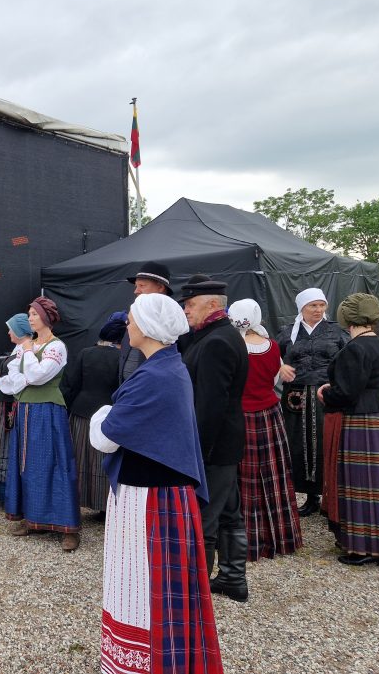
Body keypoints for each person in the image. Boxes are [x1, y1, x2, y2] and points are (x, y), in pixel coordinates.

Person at [89, 292, 222, 674]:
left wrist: (103, 413)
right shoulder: (165, 367)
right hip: (149, 495)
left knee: (145, 587)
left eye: (132, 319)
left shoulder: (155, 377)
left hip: (150, 500)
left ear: (147, 327)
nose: (127, 325)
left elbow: (105, 436)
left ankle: (149, 663)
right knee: (143, 584)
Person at [180, 275, 250, 602]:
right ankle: (234, 578)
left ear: (212, 304)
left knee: (204, 518)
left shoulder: (217, 341)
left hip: (213, 447)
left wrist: (197, 452)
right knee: (229, 512)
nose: (185, 310)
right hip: (224, 443)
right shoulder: (215, 335)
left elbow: (210, 406)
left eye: (190, 304)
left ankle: (195, 592)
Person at [318, 293, 379, 565]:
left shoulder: (355, 347)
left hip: (359, 420)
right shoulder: (377, 344)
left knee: (359, 483)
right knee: (378, 484)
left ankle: (363, 547)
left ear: (348, 316)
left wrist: (326, 394)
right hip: (378, 415)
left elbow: (348, 392)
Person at [0, 296, 81, 552]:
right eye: (30, 315)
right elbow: (15, 376)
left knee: (55, 463)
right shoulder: (30, 346)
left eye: (34, 315)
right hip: (26, 409)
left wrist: (27, 354)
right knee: (28, 464)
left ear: (45, 318)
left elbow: (35, 376)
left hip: (48, 410)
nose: (30, 318)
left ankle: (68, 526)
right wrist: (25, 358)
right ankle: (33, 519)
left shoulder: (57, 347)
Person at [228, 299, 303, 562]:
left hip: (241, 416)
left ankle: (246, 540)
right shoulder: (271, 347)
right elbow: (274, 380)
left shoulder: (232, 347)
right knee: (274, 476)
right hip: (270, 415)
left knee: (245, 477)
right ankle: (280, 536)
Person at [277, 288, 348, 517]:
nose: (318, 310)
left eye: (321, 305)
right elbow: (272, 355)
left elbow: (348, 359)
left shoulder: (336, 331)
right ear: (302, 308)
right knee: (298, 444)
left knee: (325, 442)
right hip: (295, 397)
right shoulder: (288, 332)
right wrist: (279, 367)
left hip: (324, 394)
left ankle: (330, 497)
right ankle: (310, 495)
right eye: (313, 306)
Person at [60, 312, 126, 515]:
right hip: (107, 415)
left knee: (79, 459)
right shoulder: (121, 359)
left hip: (81, 413)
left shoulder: (85, 353)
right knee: (103, 462)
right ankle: (105, 507)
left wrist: (67, 409)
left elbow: (70, 385)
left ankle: (77, 501)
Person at [0, 314, 32, 504]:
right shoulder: (19, 349)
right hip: (4, 402)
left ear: (19, 331)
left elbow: (18, 381)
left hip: (9, 404)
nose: (8, 332)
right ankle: (4, 491)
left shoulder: (26, 351)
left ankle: (8, 493)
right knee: (3, 444)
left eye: (11, 329)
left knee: (7, 445)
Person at [119, 261, 173, 383]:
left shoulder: (172, 321)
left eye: (142, 286)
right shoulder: (135, 312)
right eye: (136, 286)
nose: (136, 291)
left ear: (160, 287)